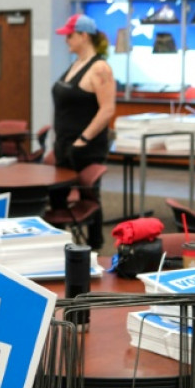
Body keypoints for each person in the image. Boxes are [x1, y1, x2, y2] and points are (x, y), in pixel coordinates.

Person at [51, 14, 116, 249]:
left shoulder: (99, 68)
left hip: (85, 148)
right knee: (57, 196)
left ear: (83, 35)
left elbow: (107, 109)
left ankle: (94, 246)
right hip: (64, 144)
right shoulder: (76, 63)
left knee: (89, 196)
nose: (66, 39)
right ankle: (58, 246)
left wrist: (82, 140)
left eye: (70, 35)